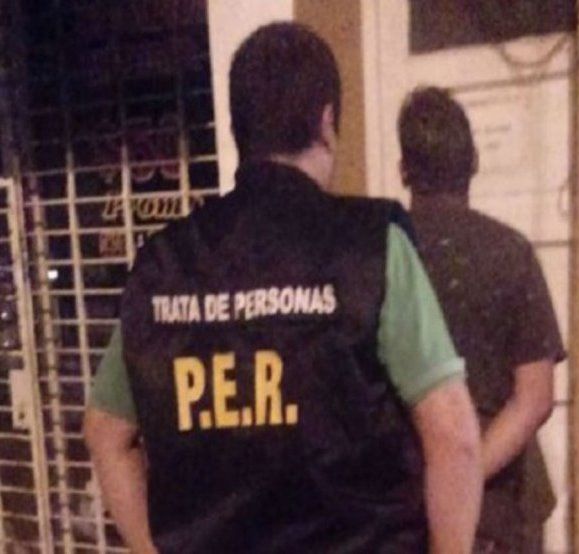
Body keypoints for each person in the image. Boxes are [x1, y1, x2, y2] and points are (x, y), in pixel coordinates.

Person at [84, 24, 482, 554]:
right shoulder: (371, 248)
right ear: (327, 122)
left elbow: (106, 433)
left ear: (238, 130)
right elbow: (455, 438)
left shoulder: (163, 264)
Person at [398, 87, 566, 554]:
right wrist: (466, 471)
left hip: (412, 506)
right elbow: (534, 399)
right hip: (495, 509)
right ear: (473, 161)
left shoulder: (383, 256)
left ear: (404, 169)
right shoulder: (511, 253)